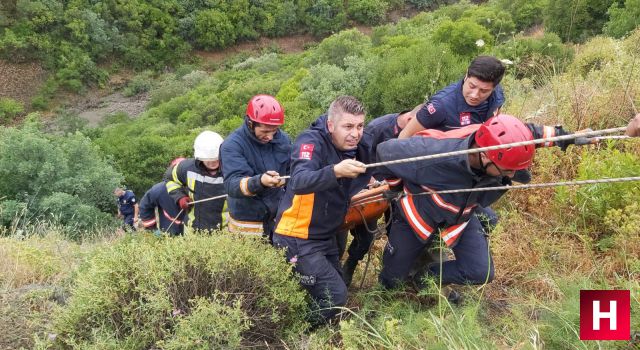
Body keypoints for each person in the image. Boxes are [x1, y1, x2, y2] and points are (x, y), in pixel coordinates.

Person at [376, 114, 587, 290]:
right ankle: (400, 271)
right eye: (506, 170)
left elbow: (533, 133)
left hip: (462, 215)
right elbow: (386, 152)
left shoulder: (498, 140)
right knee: (392, 280)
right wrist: (395, 188)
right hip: (418, 214)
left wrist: (568, 137)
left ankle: (423, 278)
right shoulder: (433, 155)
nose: (512, 174)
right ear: (485, 156)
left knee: (480, 272)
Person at [273, 96, 373, 326]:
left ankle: (314, 327)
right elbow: (299, 181)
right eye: (348, 126)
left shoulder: (356, 145)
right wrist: (335, 171)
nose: (355, 134)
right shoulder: (309, 142)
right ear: (330, 125)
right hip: (296, 236)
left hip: (323, 235)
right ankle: (296, 332)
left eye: (359, 126)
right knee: (335, 296)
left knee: (333, 288)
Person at [339, 104, 421, 286]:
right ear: (409, 120)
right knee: (366, 237)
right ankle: (350, 264)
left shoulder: (420, 130)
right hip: (372, 192)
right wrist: (371, 180)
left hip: (399, 189)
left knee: (400, 235)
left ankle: (397, 275)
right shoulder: (377, 129)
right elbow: (353, 158)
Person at [220, 95, 291, 239]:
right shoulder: (232, 145)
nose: (270, 137)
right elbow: (232, 184)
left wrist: (286, 180)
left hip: (278, 220)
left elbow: (293, 169)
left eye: (274, 131)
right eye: (264, 132)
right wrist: (260, 182)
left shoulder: (283, 140)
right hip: (247, 226)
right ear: (251, 123)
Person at [166, 131, 226, 233]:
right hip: (193, 231)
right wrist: (180, 197)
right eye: (208, 160)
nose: (212, 163)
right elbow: (169, 179)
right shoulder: (187, 168)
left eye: (215, 159)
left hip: (225, 231)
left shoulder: (232, 168)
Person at [139, 158, 188, 236]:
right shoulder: (160, 189)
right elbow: (144, 205)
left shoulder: (199, 187)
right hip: (169, 235)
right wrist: (152, 229)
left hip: (198, 235)